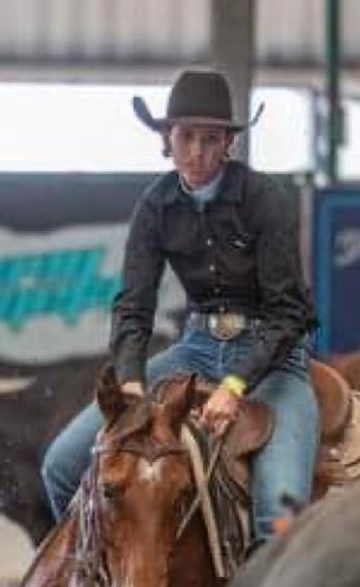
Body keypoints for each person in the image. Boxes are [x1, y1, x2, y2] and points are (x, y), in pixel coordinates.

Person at [41, 67, 319, 544]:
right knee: (62, 468)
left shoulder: (264, 199)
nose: (196, 152)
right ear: (167, 139)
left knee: (278, 514)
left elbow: (289, 312)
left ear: (228, 143)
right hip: (195, 350)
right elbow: (133, 306)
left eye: (210, 139)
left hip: (274, 363)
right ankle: (113, 577)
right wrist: (131, 382)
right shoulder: (155, 205)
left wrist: (235, 384)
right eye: (186, 137)